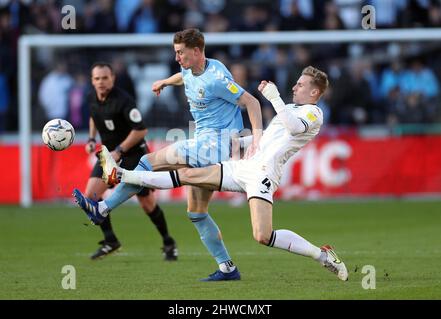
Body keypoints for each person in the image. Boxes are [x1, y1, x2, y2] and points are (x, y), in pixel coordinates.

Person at [98, 66, 349, 281]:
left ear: (314, 92)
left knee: (263, 235)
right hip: (243, 167)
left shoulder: (313, 113)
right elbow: (271, 138)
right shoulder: (292, 107)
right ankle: (121, 175)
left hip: (262, 175)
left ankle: (322, 254)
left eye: (301, 84)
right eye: (296, 82)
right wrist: (238, 142)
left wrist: (274, 98)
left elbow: (293, 129)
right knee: (188, 175)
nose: (295, 86)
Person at [73, 28, 263, 281]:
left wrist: (257, 138)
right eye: (175, 52)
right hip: (205, 144)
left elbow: (252, 102)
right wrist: (165, 82)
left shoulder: (217, 77)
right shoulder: (191, 68)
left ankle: (103, 208)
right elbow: (183, 77)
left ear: (196, 51)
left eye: (181, 52)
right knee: (196, 212)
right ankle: (227, 268)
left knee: (146, 162)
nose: (177, 58)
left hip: (213, 145)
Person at [78, 62, 178, 261]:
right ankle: (110, 240)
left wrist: (120, 150)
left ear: (113, 78)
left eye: (105, 78)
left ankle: (168, 242)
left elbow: (141, 130)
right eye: (97, 78)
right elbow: (93, 117)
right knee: (91, 195)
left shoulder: (124, 100)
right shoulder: (91, 97)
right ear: (92, 80)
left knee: (147, 204)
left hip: (134, 155)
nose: (101, 82)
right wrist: (91, 139)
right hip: (109, 155)